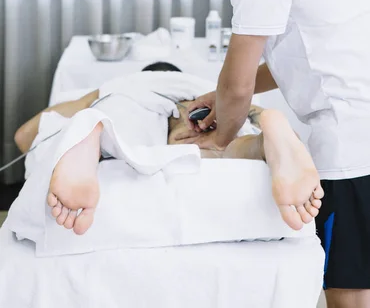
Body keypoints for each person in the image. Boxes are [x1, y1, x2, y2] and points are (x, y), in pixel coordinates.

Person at [153, 0, 370, 308]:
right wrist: (218, 98)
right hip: (360, 121)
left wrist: (217, 139)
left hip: (350, 145)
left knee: (346, 292)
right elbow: (309, 54)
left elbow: (237, 85)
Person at [14, 64, 320, 236]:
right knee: (223, 149)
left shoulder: (126, 86)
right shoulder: (196, 88)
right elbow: (238, 103)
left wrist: (89, 100)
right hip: (200, 119)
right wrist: (257, 116)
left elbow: (25, 136)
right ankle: (261, 141)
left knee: (100, 126)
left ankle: (93, 132)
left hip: (124, 105)